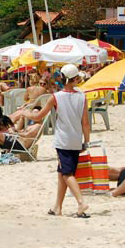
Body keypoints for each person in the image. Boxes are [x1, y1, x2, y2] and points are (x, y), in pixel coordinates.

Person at [24, 64, 90, 218]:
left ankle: (81, 202)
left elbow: (38, 116)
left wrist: (26, 113)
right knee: (63, 173)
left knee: (67, 174)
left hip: (63, 141)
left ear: (62, 78)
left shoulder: (56, 97)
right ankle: (57, 207)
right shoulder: (82, 96)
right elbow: (85, 123)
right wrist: (86, 142)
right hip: (76, 139)